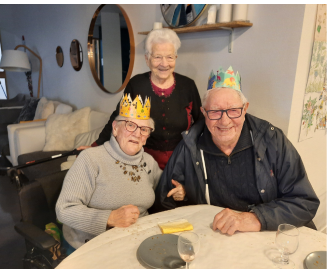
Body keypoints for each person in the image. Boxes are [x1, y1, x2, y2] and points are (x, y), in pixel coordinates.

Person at [154, 66, 320, 235]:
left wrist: (255, 218)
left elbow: (304, 201)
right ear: (204, 112)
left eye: (233, 110)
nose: (224, 121)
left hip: (269, 236)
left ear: (245, 108)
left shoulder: (272, 140)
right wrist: (185, 196)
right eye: (215, 111)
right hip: (217, 238)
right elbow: (163, 204)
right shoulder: (189, 146)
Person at [56, 94, 178, 252]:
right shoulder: (91, 158)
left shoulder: (148, 162)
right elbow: (64, 210)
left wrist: (179, 190)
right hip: (92, 245)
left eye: (144, 129)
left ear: (147, 136)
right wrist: (109, 218)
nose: (137, 133)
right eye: (130, 125)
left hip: (138, 240)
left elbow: (167, 187)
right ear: (115, 128)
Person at [78, 28, 203, 170]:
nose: (164, 63)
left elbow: (200, 122)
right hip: (143, 161)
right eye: (157, 57)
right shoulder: (136, 84)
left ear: (175, 58)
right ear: (147, 59)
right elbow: (118, 117)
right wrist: (96, 145)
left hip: (182, 160)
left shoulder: (188, 85)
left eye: (169, 57)